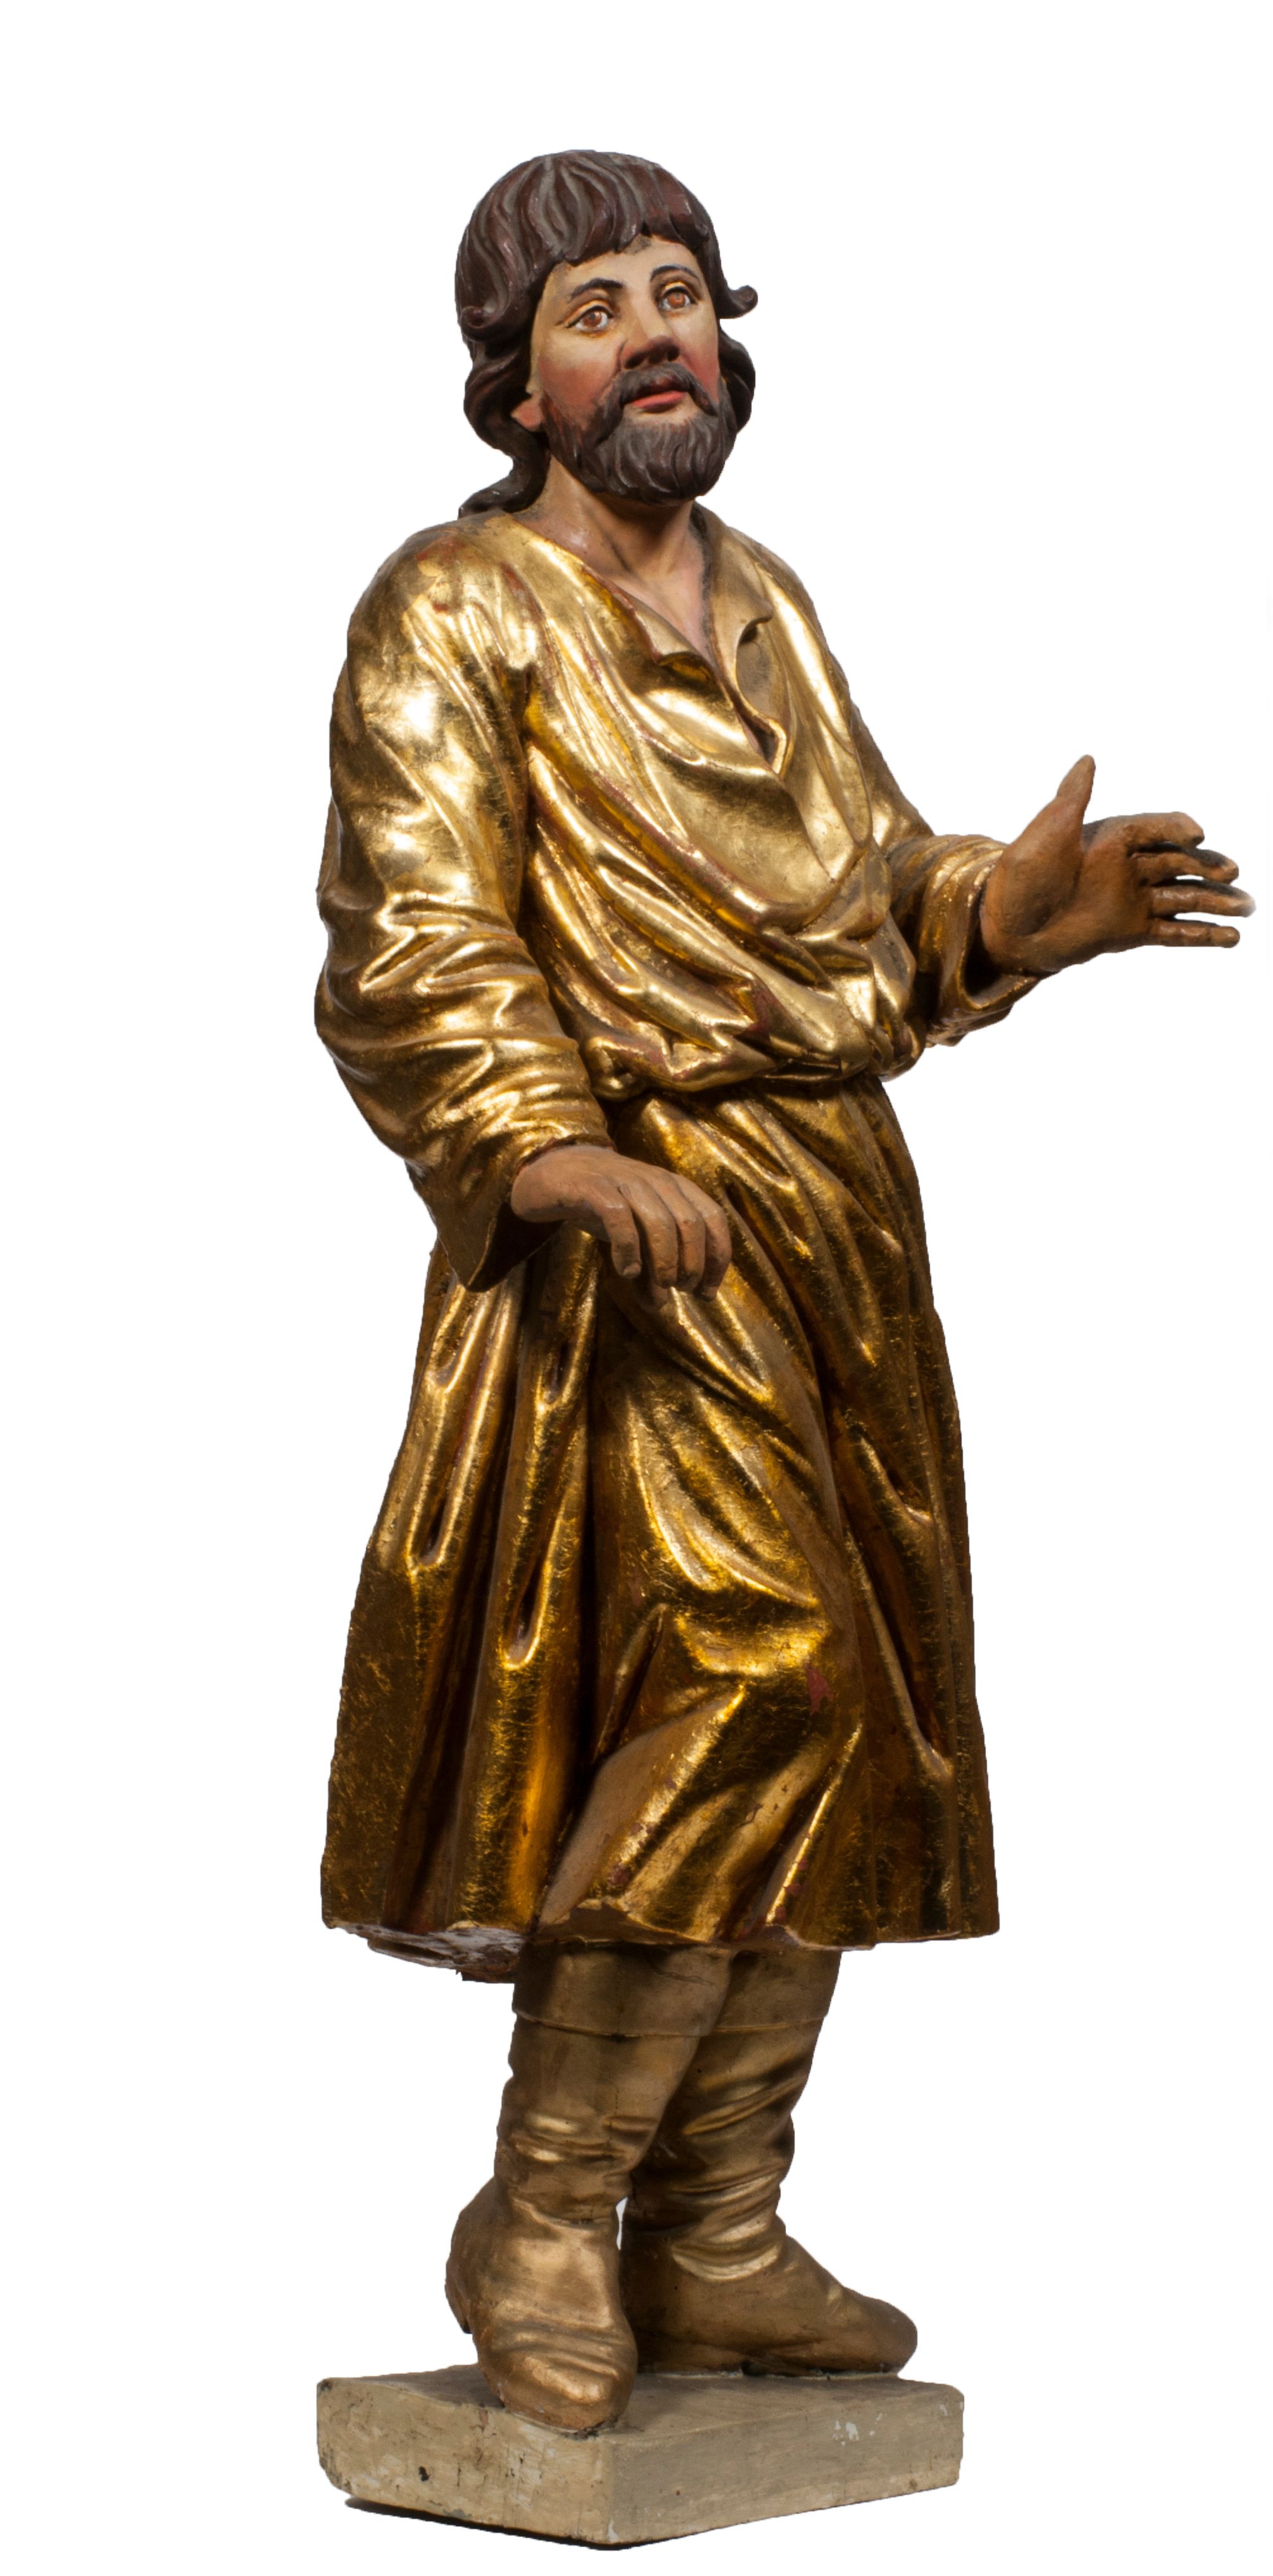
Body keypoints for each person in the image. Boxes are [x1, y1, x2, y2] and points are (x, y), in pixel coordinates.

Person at [315, 150, 1251, 2432]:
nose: (656, 335)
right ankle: (549, 2211)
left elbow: (855, 899)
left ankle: (715, 2229)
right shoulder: (454, 607)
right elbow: (413, 920)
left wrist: (1005, 913)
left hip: (832, 1221)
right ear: (515, 386)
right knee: (760, 1678)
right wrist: (542, 1139)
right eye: (595, 309)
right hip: (627, 1232)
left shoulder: (765, 601)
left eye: (679, 294)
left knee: (865, 1710)